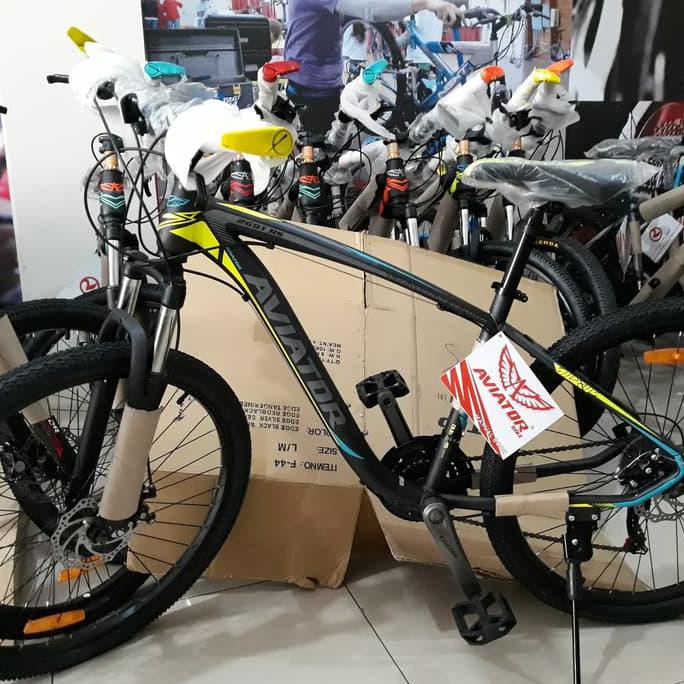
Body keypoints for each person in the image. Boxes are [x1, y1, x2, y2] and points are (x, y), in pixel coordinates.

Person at [284, 0, 465, 137]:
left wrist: (440, 3)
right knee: (319, 159)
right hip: (310, 91)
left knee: (334, 148)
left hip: (325, 85)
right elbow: (371, 9)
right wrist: (427, 3)